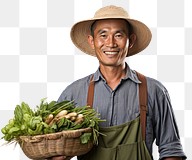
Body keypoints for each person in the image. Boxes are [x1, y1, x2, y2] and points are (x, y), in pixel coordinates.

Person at [50, 5, 186, 160]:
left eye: (118, 35)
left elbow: (171, 150)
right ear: (92, 41)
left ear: (131, 40)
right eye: (103, 35)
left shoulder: (154, 90)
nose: (111, 43)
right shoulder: (74, 93)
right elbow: (56, 148)